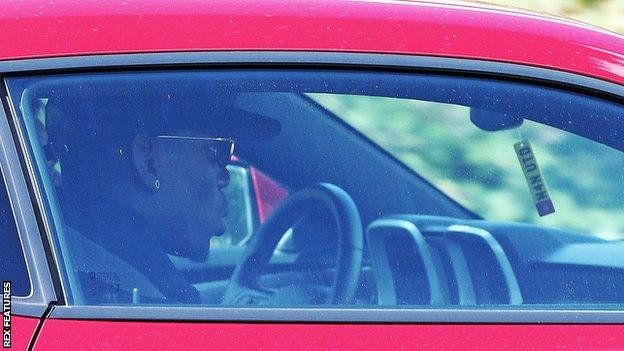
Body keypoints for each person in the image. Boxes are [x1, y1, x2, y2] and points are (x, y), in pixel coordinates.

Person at [43, 83, 279, 304]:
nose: (225, 176)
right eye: (219, 151)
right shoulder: (155, 300)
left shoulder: (61, 247)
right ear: (150, 162)